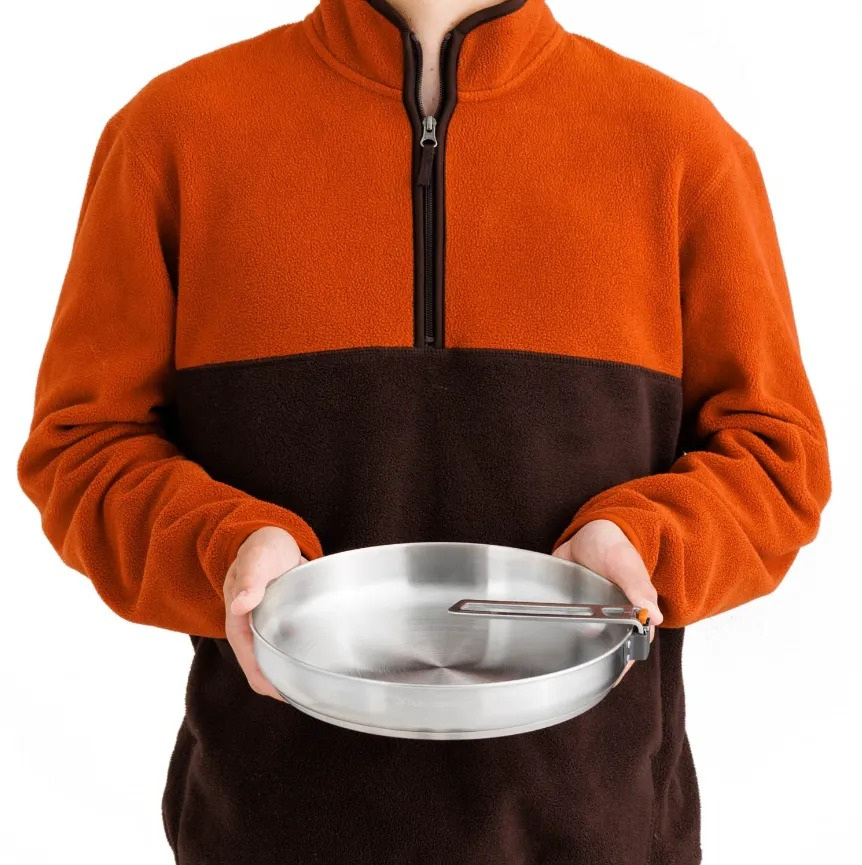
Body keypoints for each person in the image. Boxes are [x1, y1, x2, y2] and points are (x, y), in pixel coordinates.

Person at [16, 0, 831, 862]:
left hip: (601, 832)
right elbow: (84, 445)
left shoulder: (680, 146)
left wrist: (644, 542)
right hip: (266, 831)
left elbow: (777, 457)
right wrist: (225, 547)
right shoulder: (172, 135)